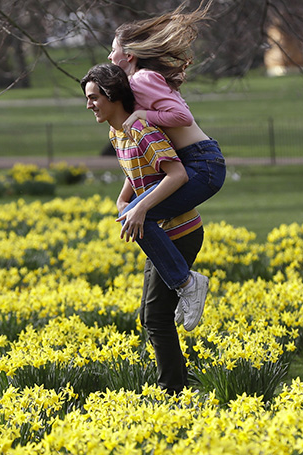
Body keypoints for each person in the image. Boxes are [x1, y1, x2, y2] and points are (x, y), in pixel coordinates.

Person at [81, 63, 213, 394]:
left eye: (94, 97)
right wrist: (124, 199)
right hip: (157, 235)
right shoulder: (117, 133)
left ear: (111, 96)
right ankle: (179, 386)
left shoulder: (141, 129)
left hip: (179, 232)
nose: (89, 105)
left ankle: (173, 391)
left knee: (155, 317)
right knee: (151, 316)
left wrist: (141, 206)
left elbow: (176, 174)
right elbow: (135, 170)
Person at [108, 3, 226, 327]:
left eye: (113, 50)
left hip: (203, 163)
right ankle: (183, 284)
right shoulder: (138, 82)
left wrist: (144, 115)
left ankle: (187, 284)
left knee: (140, 215)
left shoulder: (142, 79)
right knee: (135, 212)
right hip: (197, 161)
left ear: (128, 55)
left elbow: (182, 117)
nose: (109, 57)